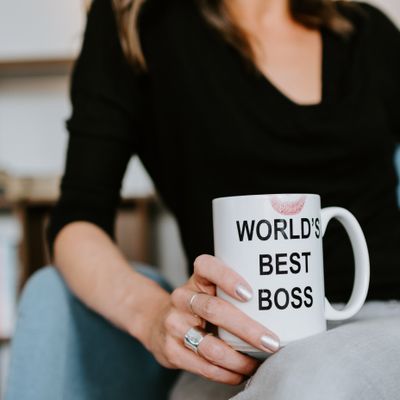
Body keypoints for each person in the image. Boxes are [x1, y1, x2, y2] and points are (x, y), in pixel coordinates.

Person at [6, 0, 400, 399]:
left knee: (313, 383)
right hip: (230, 348)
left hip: (379, 320)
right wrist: (153, 315)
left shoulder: (369, 33)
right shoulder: (138, 28)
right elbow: (78, 219)